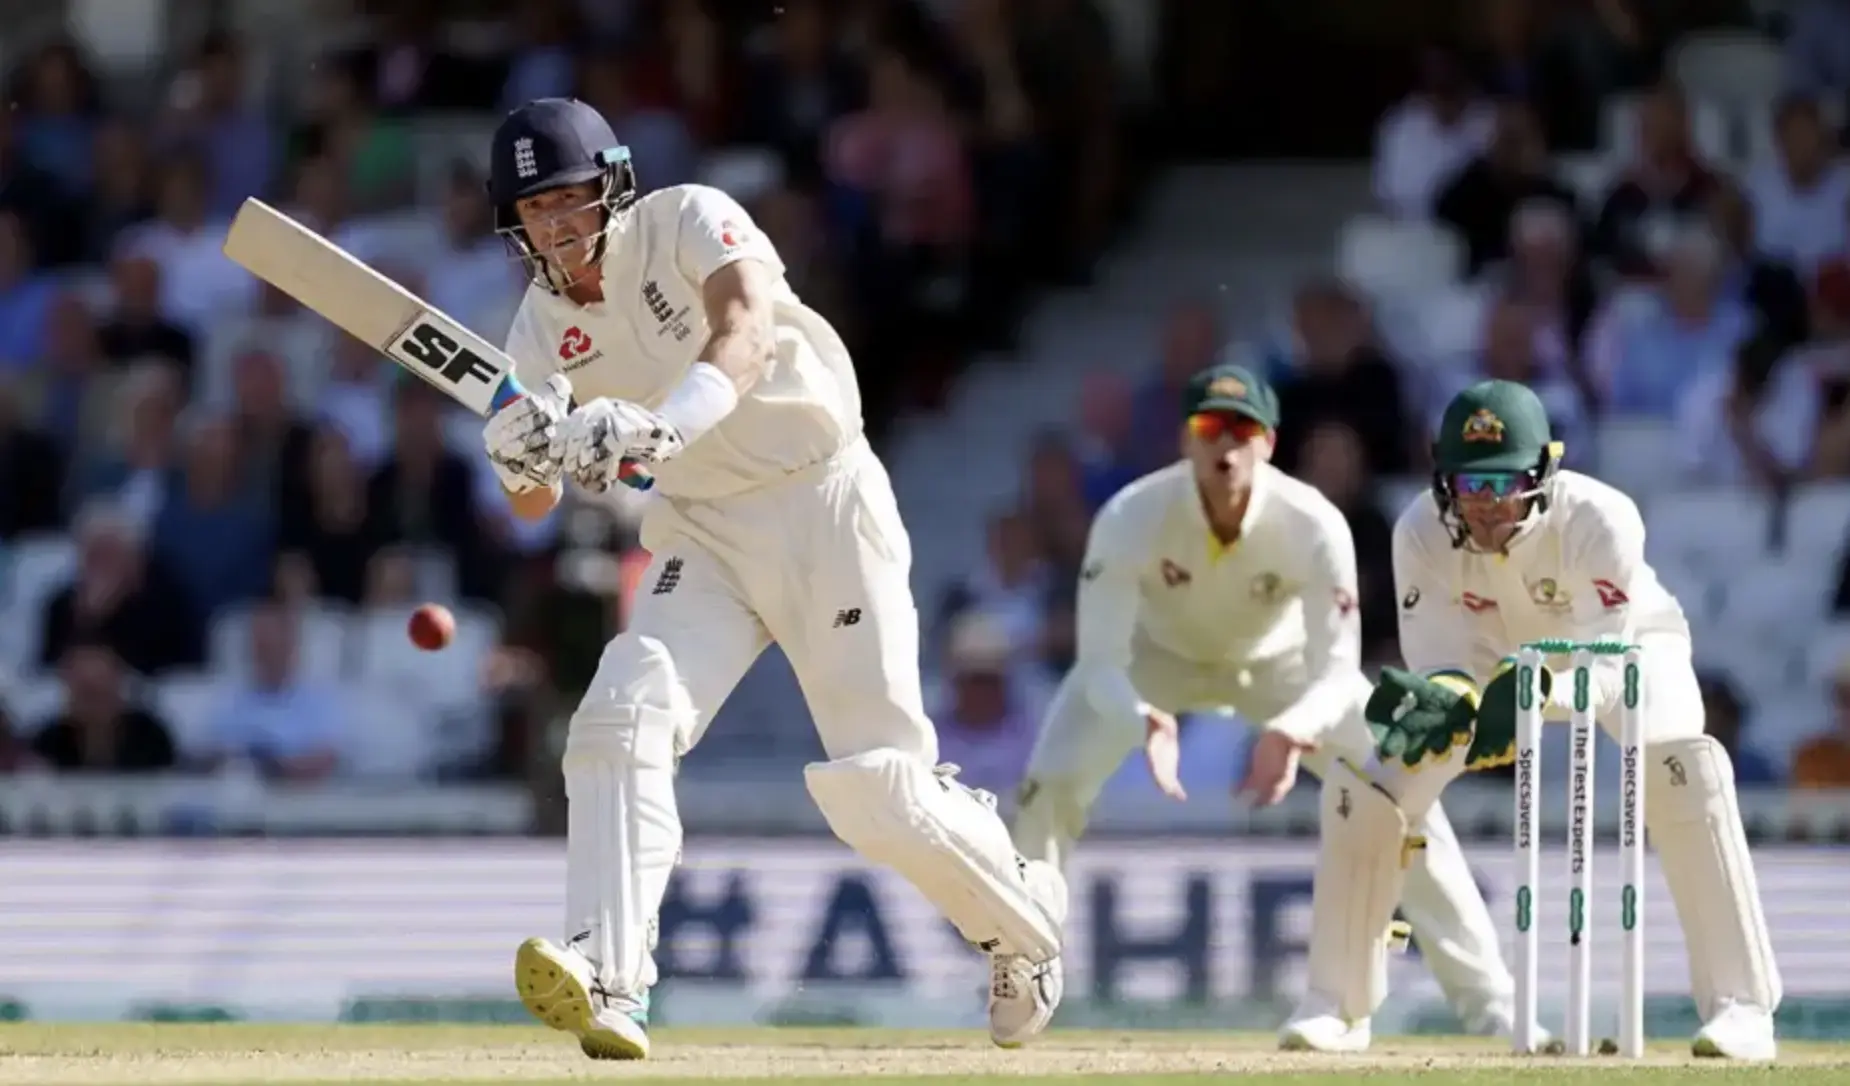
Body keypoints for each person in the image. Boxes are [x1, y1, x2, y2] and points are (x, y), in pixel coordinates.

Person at [478, 98, 1064, 1061]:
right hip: (703, 532)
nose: (559, 226)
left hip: (821, 501)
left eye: (573, 199)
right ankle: (614, 981)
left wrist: (658, 424)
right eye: (536, 211)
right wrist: (516, 456)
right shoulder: (537, 331)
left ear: (613, 187)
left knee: (881, 788)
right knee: (621, 716)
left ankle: (1025, 927)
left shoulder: (685, 219)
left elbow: (744, 331)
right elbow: (534, 504)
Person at [1010, 364, 1521, 1052]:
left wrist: (1291, 727)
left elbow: (1338, 671)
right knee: (1048, 789)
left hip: (1284, 672)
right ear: (1185, 440)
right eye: (1209, 430)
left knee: (1406, 791)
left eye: (1242, 431)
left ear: (1269, 442)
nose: (1226, 448)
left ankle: (1491, 1005)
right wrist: (1143, 719)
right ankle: (1018, 976)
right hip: (1152, 666)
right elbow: (1099, 665)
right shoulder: (1132, 514)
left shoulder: (1312, 522)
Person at [1357, 379, 1780, 1060]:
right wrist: (1458, 703)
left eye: (1506, 480)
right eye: (1471, 481)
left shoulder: (1601, 518)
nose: (1488, 503)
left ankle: (1742, 1008)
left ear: (1543, 471)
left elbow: (1606, 671)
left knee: (1683, 769)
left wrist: (1534, 697)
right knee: (1373, 789)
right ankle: (1339, 1006)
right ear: (1444, 479)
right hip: (1496, 661)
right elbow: (1444, 668)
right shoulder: (1418, 532)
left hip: (1633, 644)